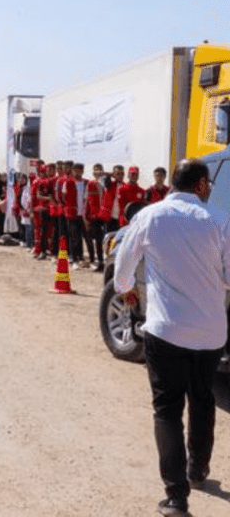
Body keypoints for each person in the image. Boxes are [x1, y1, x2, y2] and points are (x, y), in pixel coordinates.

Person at [114, 158, 230, 516]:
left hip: (166, 331)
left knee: (167, 410)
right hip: (211, 333)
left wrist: (127, 289)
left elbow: (123, 264)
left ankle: (177, 497)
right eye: (208, 184)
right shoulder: (220, 220)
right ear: (200, 185)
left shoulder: (149, 216)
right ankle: (198, 468)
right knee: (203, 399)